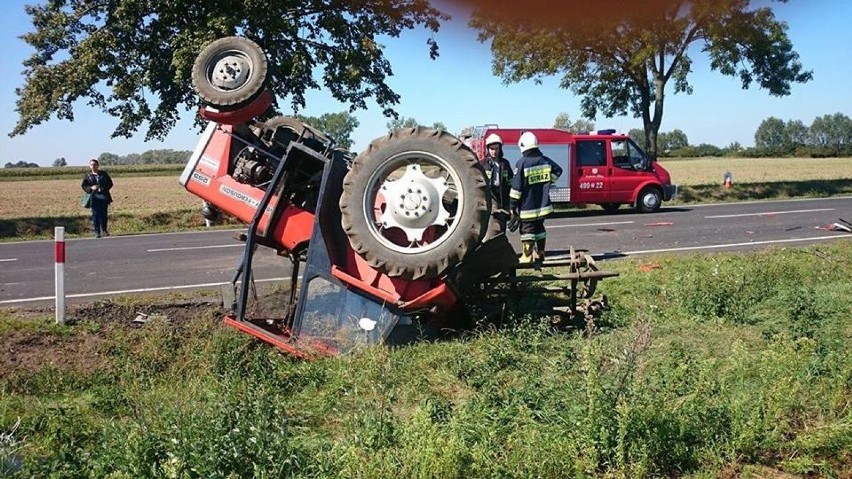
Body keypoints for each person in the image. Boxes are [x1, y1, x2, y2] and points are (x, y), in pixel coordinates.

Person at [509, 131, 562, 264]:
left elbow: (517, 188)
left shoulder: (521, 163)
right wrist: (548, 181)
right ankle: (541, 252)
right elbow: (558, 170)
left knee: (527, 230)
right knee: (539, 229)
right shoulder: (545, 160)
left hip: (527, 206)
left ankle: (527, 256)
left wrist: (512, 205)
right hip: (543, 206)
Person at [481, 133, 514, 231]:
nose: (494, 152)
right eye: (492, 149)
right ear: (488, 149)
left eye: (496, 148)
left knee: (502, 222)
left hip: (502, 196)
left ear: (500, 149)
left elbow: (510, 182)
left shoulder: (505, 163)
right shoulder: (483, 164)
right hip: (489, 196)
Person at [81, 158, 114, 238]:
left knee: (104, 215)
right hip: (94, 198)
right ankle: (97, 232)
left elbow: (110, 183)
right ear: (89, 166)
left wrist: (102, 188)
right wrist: (91, 188)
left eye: (95, 165)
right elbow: (84, 186)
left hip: (104, 197)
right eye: (91, 165)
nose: (93, 166)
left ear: (98, 165)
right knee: (95, 215)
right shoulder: (88, 176)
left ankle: (104, 230)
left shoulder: (103, 174)